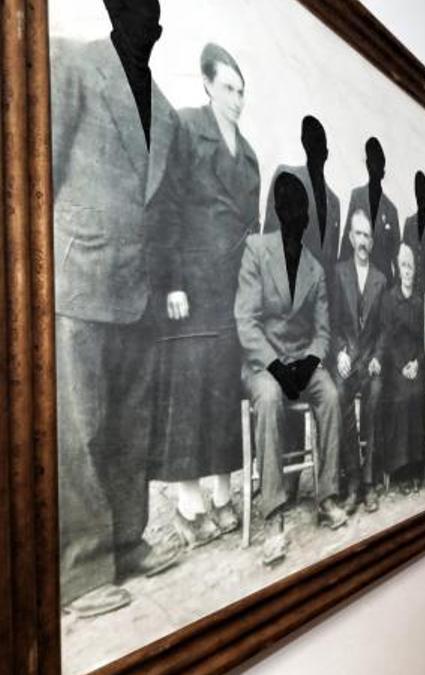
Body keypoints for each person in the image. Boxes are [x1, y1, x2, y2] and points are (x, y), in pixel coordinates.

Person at [51, 0, 184, 618]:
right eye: (135, 5)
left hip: (140, 288)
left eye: (155, 9)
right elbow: (36, 173)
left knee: (131, 427)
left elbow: (165, 207)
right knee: (77, 430)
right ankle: (80, 572)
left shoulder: (166, 110)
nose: (147, 16)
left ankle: (127, 544)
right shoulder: (72, 65)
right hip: (77, 280)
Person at [152, 42, 258, 548]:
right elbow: (168, 205)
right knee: (190, 394)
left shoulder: (251, 155)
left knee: (221, 392)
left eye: (242, 90)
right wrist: (172, 280)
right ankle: (189, 503)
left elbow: (252, 226)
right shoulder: (188, 128)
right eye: (228, 88)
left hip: (231, 294)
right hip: (192, 289)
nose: (237, 99)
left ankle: (221, 494)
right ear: (208, 86)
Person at [236, 172, 348, 567]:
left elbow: (323, 334)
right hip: (263, 364)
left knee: (331, 394)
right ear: (279, 212)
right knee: (267, 398)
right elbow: (246, 322)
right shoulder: (255, 250)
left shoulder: (315, 270)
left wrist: (308, 365)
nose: (295, 217)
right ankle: (273, 515)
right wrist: (275, 367)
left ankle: (327, 497)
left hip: (302, 361)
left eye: (302, 212)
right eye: (289, 209)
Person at [330, 210, 387, 514]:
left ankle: (369, 482)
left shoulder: (380, 278)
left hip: (370, 362)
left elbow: (382, 329)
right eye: (358, 234)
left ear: (372, 240)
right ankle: (352, 479)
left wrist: (378, 357)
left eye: (367, 235)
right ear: (350, 238)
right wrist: (339, 351)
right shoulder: (339, 273)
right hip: (348, 360)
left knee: (376, 396)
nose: (363, 240)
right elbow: (334, 323)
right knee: (339, 395)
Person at [378, 244, 425, 491]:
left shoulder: (421, 302)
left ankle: (416, 468)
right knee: (400, 397)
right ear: (398, 269)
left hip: (416, 363)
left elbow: (424, 340)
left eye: (411, 265)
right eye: (403, 265)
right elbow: (386, 339)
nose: (408, 270)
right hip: (395, 366)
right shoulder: (389, 299)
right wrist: (401, 366)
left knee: (419, 394)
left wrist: (417, 363)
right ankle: (399, 470)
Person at [263, 115, 341, 274]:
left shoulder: (334, 202)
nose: (316, 149)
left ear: (327, 153)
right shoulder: (286, 176)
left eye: (320, 143)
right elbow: (270, 234)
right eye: (311, 141)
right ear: (304, 144)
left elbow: (331, 260)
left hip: (318, 291)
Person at [337, 137, 400, 282]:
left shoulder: (391, 210)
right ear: (366, 165)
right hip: (356, 277)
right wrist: (339, 276)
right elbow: (347, 238)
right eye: (371, 162)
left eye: (378, 164)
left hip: (382, 283)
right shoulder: (357, 196)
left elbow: (396, 253)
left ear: (383, 170)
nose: (374, 168)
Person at [401, 170, 425, 299]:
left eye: (423, 198)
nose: (420, 202)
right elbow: (403, 258)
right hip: (408, 293)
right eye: (418, 197)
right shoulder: (408, 225)